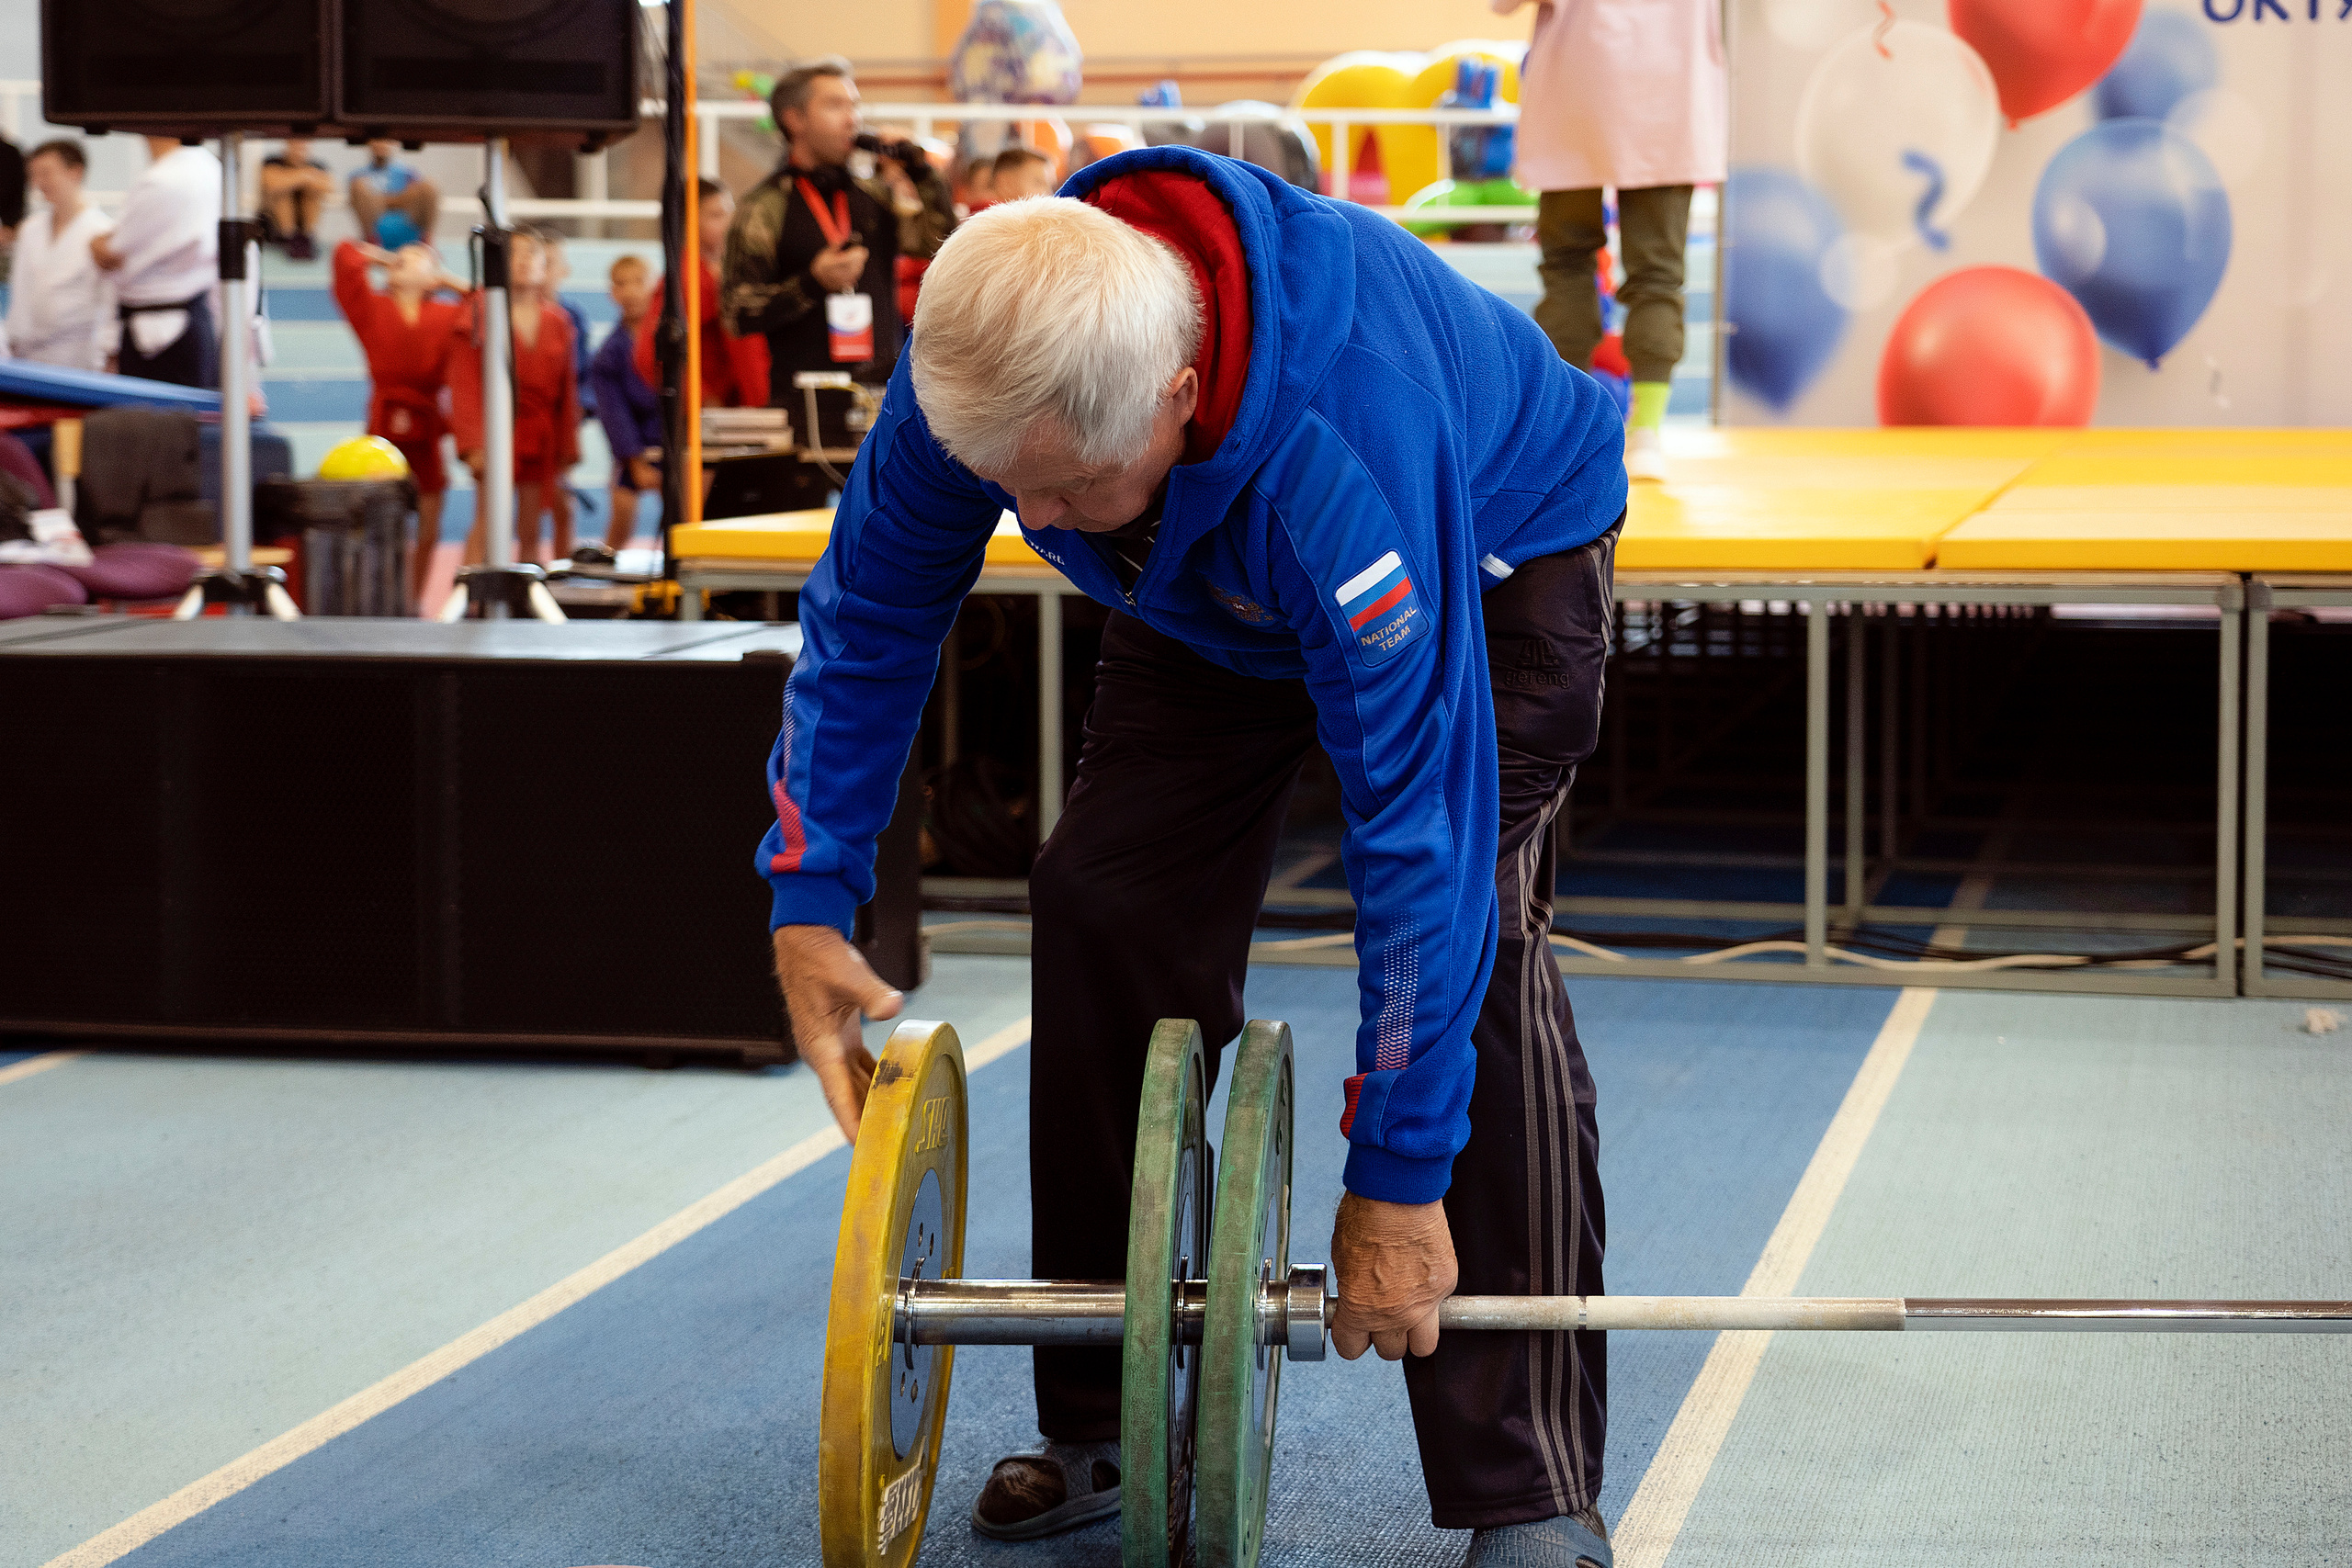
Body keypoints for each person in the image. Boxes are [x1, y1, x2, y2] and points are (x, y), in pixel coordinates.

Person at [762, 148, 1625, 1566]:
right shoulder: (995, 357)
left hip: (1492, 551)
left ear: (1173, 394)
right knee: (1100, 897)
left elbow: (1417, 823)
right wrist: (810, 894)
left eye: (1061, 491)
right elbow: (869, 614)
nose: (1033, 525)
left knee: (1478, 942)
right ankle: (1105, 1411)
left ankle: (1529, 1484)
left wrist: (1398, 1170)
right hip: (1206, 570)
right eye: (1010, 491)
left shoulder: (1348, 441)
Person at [1497, 0, 1725, 483]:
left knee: (1567, 264)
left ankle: (1565, 436)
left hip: (1574, 96)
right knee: (1658, 274)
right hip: (1670, 101)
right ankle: (1647, 434)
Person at [720, 58, 953, 478]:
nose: (852, 119)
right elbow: (737, 313)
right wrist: (811, 283)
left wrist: (920, 170)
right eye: (835, 105)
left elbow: (941, 242)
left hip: (881, 403)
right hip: (804, 412)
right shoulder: (765, 206)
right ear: (794, 120)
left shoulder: (873, 197)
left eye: (854, 106)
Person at [331, 236, 470, 601]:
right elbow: (345, 254)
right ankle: (377, 599)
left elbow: (486, 305)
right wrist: (384, 258)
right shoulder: (372, 307)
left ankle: (414, 600)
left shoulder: (446, 314)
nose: (402, 260)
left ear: (433, 276)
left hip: (427, 424)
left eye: (416, 258)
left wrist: (447, 281)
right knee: (376, 523)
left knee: (428, 524)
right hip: (384, 423)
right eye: (399, 257)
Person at [448, 229, 578, 567]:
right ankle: (470, 593)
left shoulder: (559, 320)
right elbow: (464, 383)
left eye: (532, 253)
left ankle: (528, 594)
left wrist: (568, 447)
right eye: (514, 253)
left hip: (541, 436)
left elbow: (567, 392)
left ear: (544, 266)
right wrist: (473, 444)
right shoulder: (479, 311)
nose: (523, 261)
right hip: (496, 432)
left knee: (532, 530)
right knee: (488, 524)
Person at [91, 138, 221, 389]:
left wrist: (95, 243)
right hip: (193, 318)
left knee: (148, 412)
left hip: (165, 323)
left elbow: (111, 253)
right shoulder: (210, 168)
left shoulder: (161, 180)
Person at [632, 178, 770, 415]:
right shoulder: (688, 278)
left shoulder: (725, 273)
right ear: (687, 222)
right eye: (716, 215)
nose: (729, 224)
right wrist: (703, 400)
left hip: (746, 411)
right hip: (718, 419)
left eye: (730, 213)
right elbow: (650, 355)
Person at [5, 140, 113, 373]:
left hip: (80, 354)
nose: (39, 183)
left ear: (75, 172)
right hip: (27, 355)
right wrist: (12, 340)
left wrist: (108, 353)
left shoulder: (101, 232)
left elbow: (109, 301)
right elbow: (20, 290)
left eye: (46, 173)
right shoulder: (31, 229)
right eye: (33, 175)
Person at [592, 254, 662, 550]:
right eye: (622, 284)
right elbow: (614, 414)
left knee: (683, 516)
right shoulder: (608, 355)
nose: (631, 291)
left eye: (639, 282)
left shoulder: (672, 338)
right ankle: (606, 561)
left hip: (676, 442)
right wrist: (634, 461)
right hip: (635, 447)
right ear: (612, 293)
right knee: (623, 512)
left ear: (655, 287)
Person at [349, 141, 439, 254]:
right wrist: (399, 199)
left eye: (385, 140)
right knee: (359, 187)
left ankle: (426, 240)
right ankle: (370, 241)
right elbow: (361, 199)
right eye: (377, 140)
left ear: (393, 143)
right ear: (369, 143)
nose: (381, 144)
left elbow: (420, 197)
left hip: (409, 225)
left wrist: (380, 200)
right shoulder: (359, 175)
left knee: (429, 186)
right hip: (376, 230)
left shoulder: (407, 173)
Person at [259, 139, 335, 260]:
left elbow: (328, 187)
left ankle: (306, 237)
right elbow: (272, 184)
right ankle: (289, 236)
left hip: (304, 220)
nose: (299, 149)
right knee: (282, 193)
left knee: (313, 194)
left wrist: (292, 178)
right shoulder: (272, 162)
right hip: (275, 221)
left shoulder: (317, 165)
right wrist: (305, 176)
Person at [989, 145, 1058, 202]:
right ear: (1006, 183)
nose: (1049, 194)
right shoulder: (989, 213)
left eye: (1052, 187)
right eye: (1038, 183)